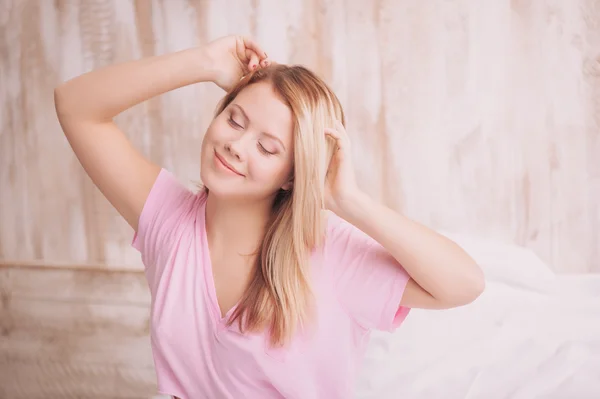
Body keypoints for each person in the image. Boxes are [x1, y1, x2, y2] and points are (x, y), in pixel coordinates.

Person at [54, 35, 485, 399]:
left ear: (292, 176)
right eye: (234, 120)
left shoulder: (329, 253)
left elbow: (464, 284)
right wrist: (204, 62)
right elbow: (75, 106)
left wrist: (350, 201)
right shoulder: (168, 220)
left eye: (268, 148)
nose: (236, 146)